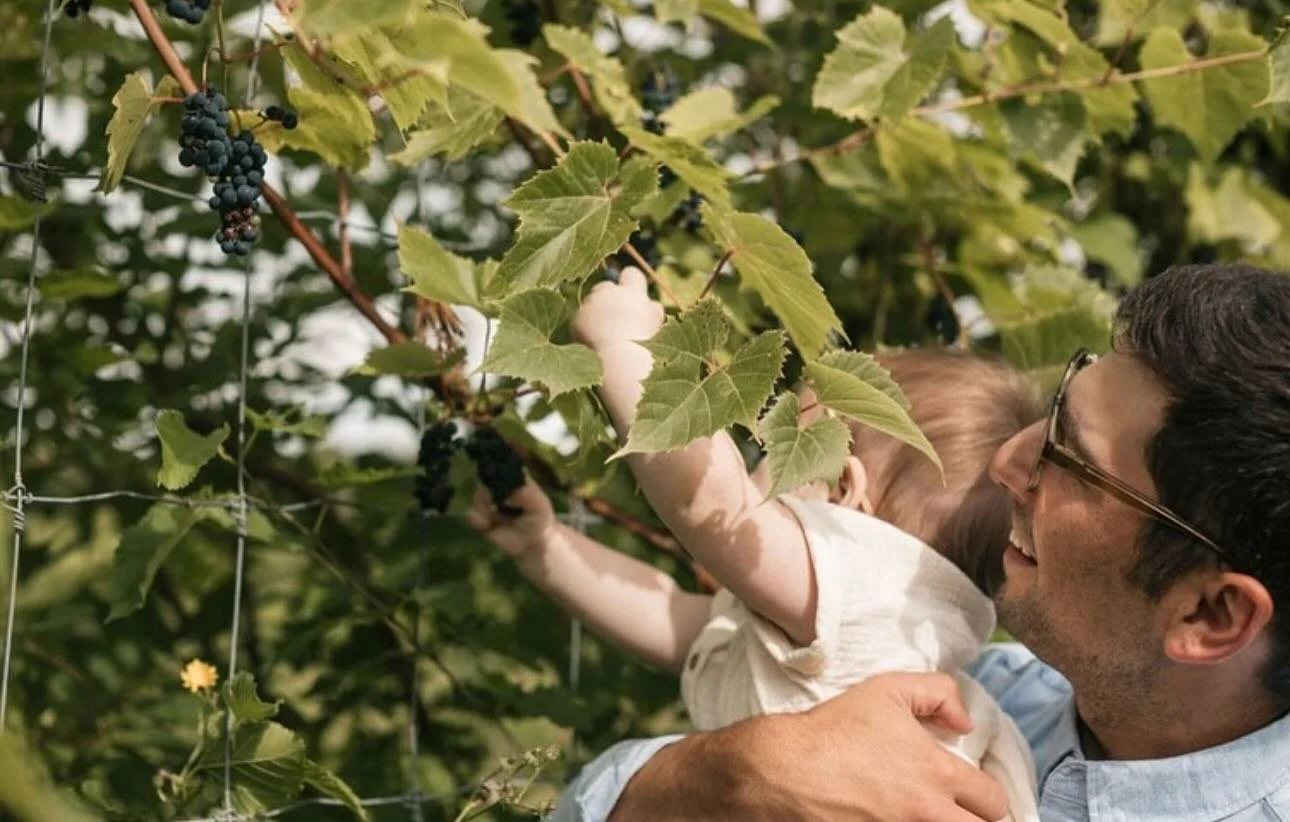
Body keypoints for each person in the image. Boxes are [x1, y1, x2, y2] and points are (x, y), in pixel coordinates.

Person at [536, 262, 1290, 821]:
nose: (1008, 462)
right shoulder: (991, 692)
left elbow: (714, 506)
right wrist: (717, 778)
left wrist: (623, 346)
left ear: (1212, 616)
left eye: (1072, 462)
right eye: (1060, 399)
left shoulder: (882, 609)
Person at [469, 266, 1049, 819]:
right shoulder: (876, 631)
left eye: (776, 446)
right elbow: (679, 621)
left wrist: (628, 349)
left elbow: (715, 506)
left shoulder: (862, 587)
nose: (753, 458)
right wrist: (544, 546)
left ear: (844, 486)